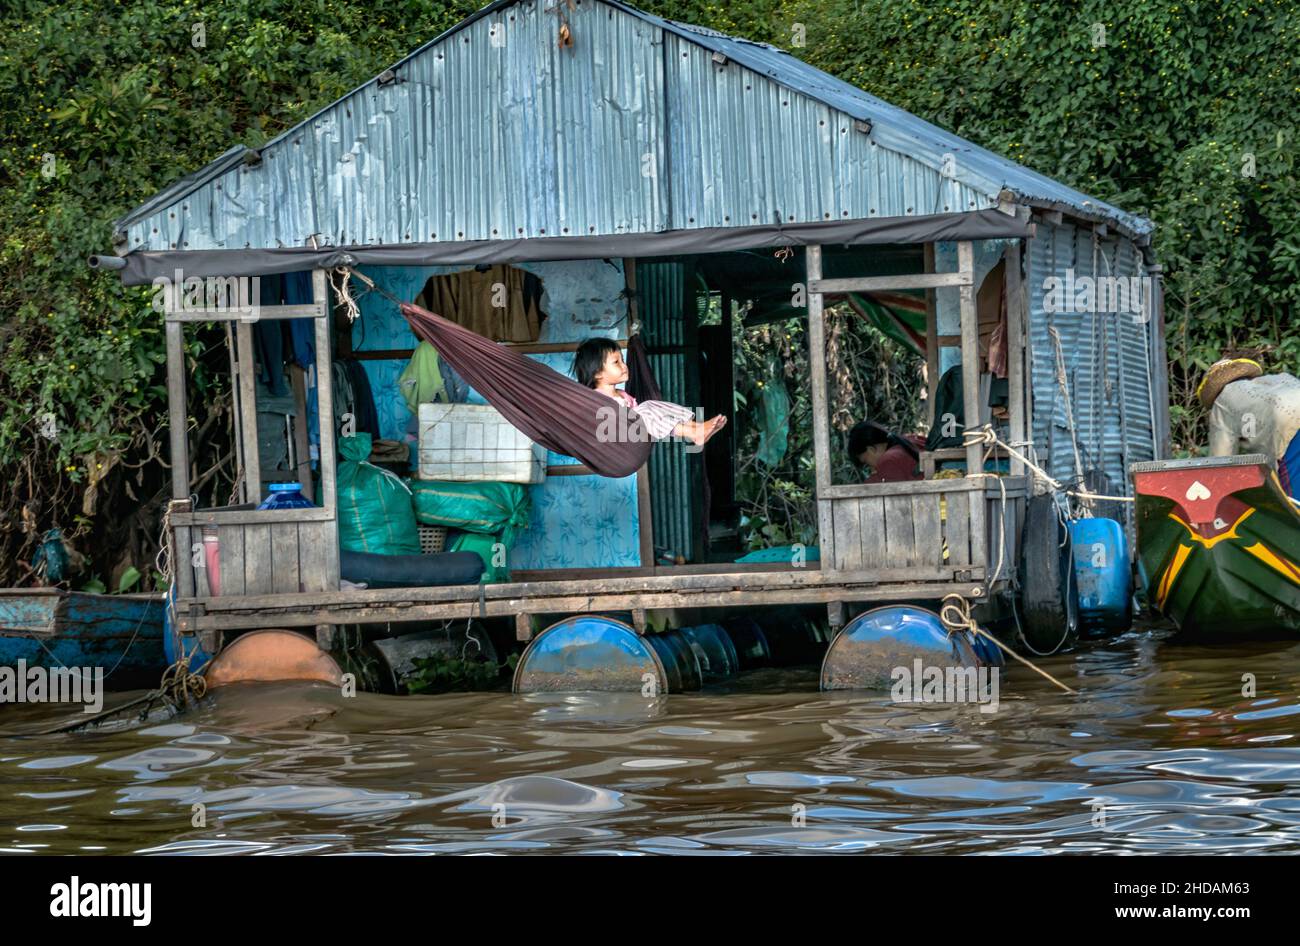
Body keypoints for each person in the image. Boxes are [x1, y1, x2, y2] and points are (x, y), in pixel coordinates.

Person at [574, 338, 726, 446]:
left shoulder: (622, 394)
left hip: (638, 432)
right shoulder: (594, 399)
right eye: (616, 362)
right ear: (597, 373)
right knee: (646, 409)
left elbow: (650, 420)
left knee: (650, 406)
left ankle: (695, 428)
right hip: (618, 439)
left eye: (622, 360)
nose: (624, 366)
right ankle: (693, 432)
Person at [1200, 358, 1300, 498]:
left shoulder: (1222, 401)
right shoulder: (1275, 379)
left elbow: (1220, 461)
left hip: (1289, 429)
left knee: (1295, 503)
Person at [849, 420, 924, 484]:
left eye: (866, 463)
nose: (871, 469)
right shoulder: (909, 440)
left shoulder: (888, 460)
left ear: (871, 449)